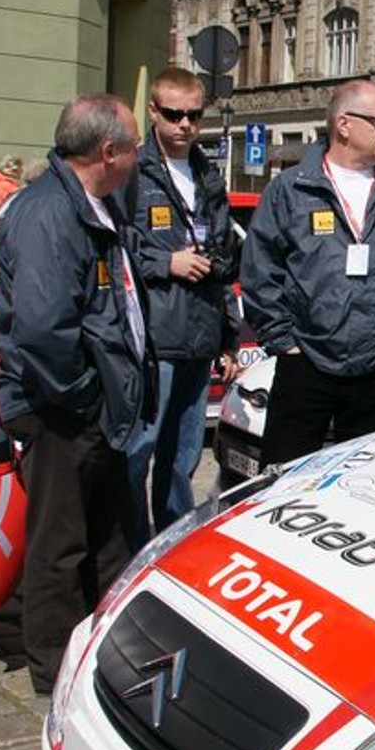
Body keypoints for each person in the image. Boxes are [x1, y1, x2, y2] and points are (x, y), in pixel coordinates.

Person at [0, 94, 150, 695]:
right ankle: (53, 668)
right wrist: (82, 397)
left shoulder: (90, 203)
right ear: (109, 151)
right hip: (62, 410)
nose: (140, 157)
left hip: (92, 406)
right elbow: (40, 328)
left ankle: (98, 647)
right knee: (60, 544)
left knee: (107, 537)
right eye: (135, 145)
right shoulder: (50, 213)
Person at [241, 80, 375, 464]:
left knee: (364, 482)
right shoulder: (291, 188)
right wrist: (284, 342)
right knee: (283, 475)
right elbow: (260, 269)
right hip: (305, 363)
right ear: (344, 124)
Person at [123, 68, 241, 539]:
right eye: (174, 114)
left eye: (194, 115)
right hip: (153, 335)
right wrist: (164, 262)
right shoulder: (133, 168)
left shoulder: (206, 171)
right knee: (140, 451)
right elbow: (117, 242)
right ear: (153, 111)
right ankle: (128, 544)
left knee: (184, 457)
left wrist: (228, 337)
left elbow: (222, 261)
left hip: (199, 333)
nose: (185, 124)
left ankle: (169, 541)